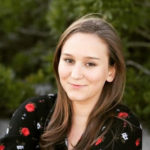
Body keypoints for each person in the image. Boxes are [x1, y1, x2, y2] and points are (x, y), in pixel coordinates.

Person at [0, 14, 142, 150]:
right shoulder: (34, 112)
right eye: (69, 60)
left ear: (111, 72)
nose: (75, 74)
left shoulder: (124, 128)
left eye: (90, 64)